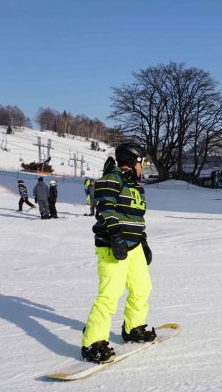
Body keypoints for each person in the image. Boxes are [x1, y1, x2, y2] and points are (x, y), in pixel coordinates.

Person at [82, 143, 154, 363]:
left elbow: (135, 217)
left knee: (142, 288)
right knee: (110, 295)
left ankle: (133, 328)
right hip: (113, 245)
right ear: (132, 161)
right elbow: (105, 206)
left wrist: (142, 240)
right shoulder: (113, 178)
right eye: (142, 162)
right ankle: (93, 342)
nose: (144, 167)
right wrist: (115, 236)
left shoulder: (135, 185)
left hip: (133, 246)